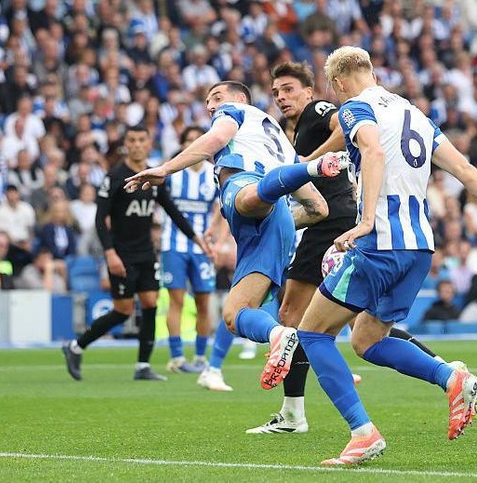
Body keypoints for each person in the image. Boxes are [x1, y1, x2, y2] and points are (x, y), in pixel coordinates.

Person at [268, 46, 477, 466]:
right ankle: (450, 376)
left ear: (339, 83)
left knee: (312, 334)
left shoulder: (354, 108)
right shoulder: (413, 114)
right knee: (366, 339)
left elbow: (374, 152)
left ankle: (363, 433)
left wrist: (365, 222)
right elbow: (467, 171)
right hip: (419, 247)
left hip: (380, 242)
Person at [246, 61, 466, 435]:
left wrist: (310, 162)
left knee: (301, 321)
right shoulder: (303, 128)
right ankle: (446, 373)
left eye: (288, 89)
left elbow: (355, 136)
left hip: (338, 222)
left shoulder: (324, 111)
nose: (282, 97)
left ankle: (307, 418)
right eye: (277, 93)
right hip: (388, 233)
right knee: (360, 332)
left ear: (317, 89)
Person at [123, 81, 346, 392]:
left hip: (249, 191)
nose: (211, 106)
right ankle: (279, 335)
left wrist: (166, 168)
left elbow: (216, 139)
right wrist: (279, 220)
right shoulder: (281, 140)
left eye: (216, 97)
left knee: (248, 198)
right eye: (207, 101)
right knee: (234, 314)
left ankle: (309, 170)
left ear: (240, 98)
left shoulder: (235, 111)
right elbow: (318, 208)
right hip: (274, 222)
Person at [61, 125, 210, 382]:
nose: (138, 144)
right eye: (132, 140)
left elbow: (172, 211)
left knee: (151, 303)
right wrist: (110, 253)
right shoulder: (115, 176)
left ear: (149, 143)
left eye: (142, 140)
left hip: (145, 253)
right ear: (125, 144)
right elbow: (100, 218)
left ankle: (143, 365)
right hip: (121, 253)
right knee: (123, 309)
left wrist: (198, 240)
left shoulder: (153, 175)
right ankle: (76, 346)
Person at [161, 126, 219, 374]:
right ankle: (176, 357)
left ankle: (199, 357)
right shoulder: (172, 172)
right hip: (172, 244)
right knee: (176, 301)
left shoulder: (213, 174)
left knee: (204, 302)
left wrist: (216, 234)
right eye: (189, 140)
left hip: (202, 248)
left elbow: (221, 208)